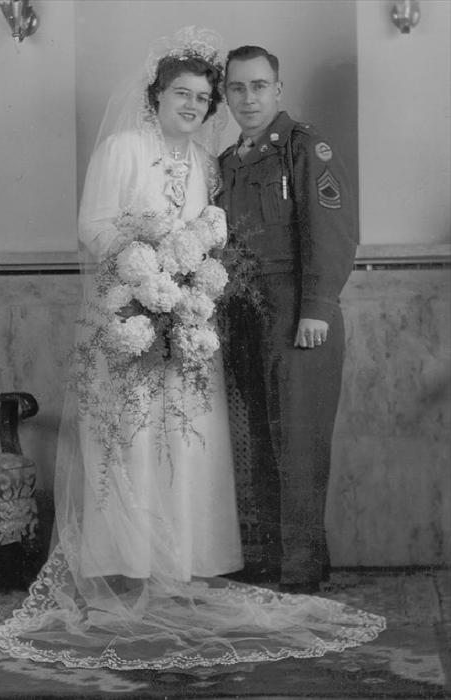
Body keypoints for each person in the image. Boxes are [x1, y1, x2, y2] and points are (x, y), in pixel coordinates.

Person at [0, 28, 383, 670]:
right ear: (157, 95)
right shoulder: (145, 150)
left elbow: (320, 233)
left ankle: (263, 568)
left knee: (247, 440)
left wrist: (311, 307)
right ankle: (136, 562)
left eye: (206, 95)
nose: (199, 105)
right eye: (189, 93)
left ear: (273, 91)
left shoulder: (247, 156)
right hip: (144, 314)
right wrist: (152, 269)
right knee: (154, 439)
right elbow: (97, 228)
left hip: (215, 319)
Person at [218, 45, 357, 592]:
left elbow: (333, 232)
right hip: (247, 312)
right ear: (227, 95)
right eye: (236, 88)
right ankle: (281, 562)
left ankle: (298, 576)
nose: (248, 98)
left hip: (298, 311)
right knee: (261, 440)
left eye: (258, 86)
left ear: (278, 88)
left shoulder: (304, 147)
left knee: (299, 445)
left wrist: (317, 310)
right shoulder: (231, 160)